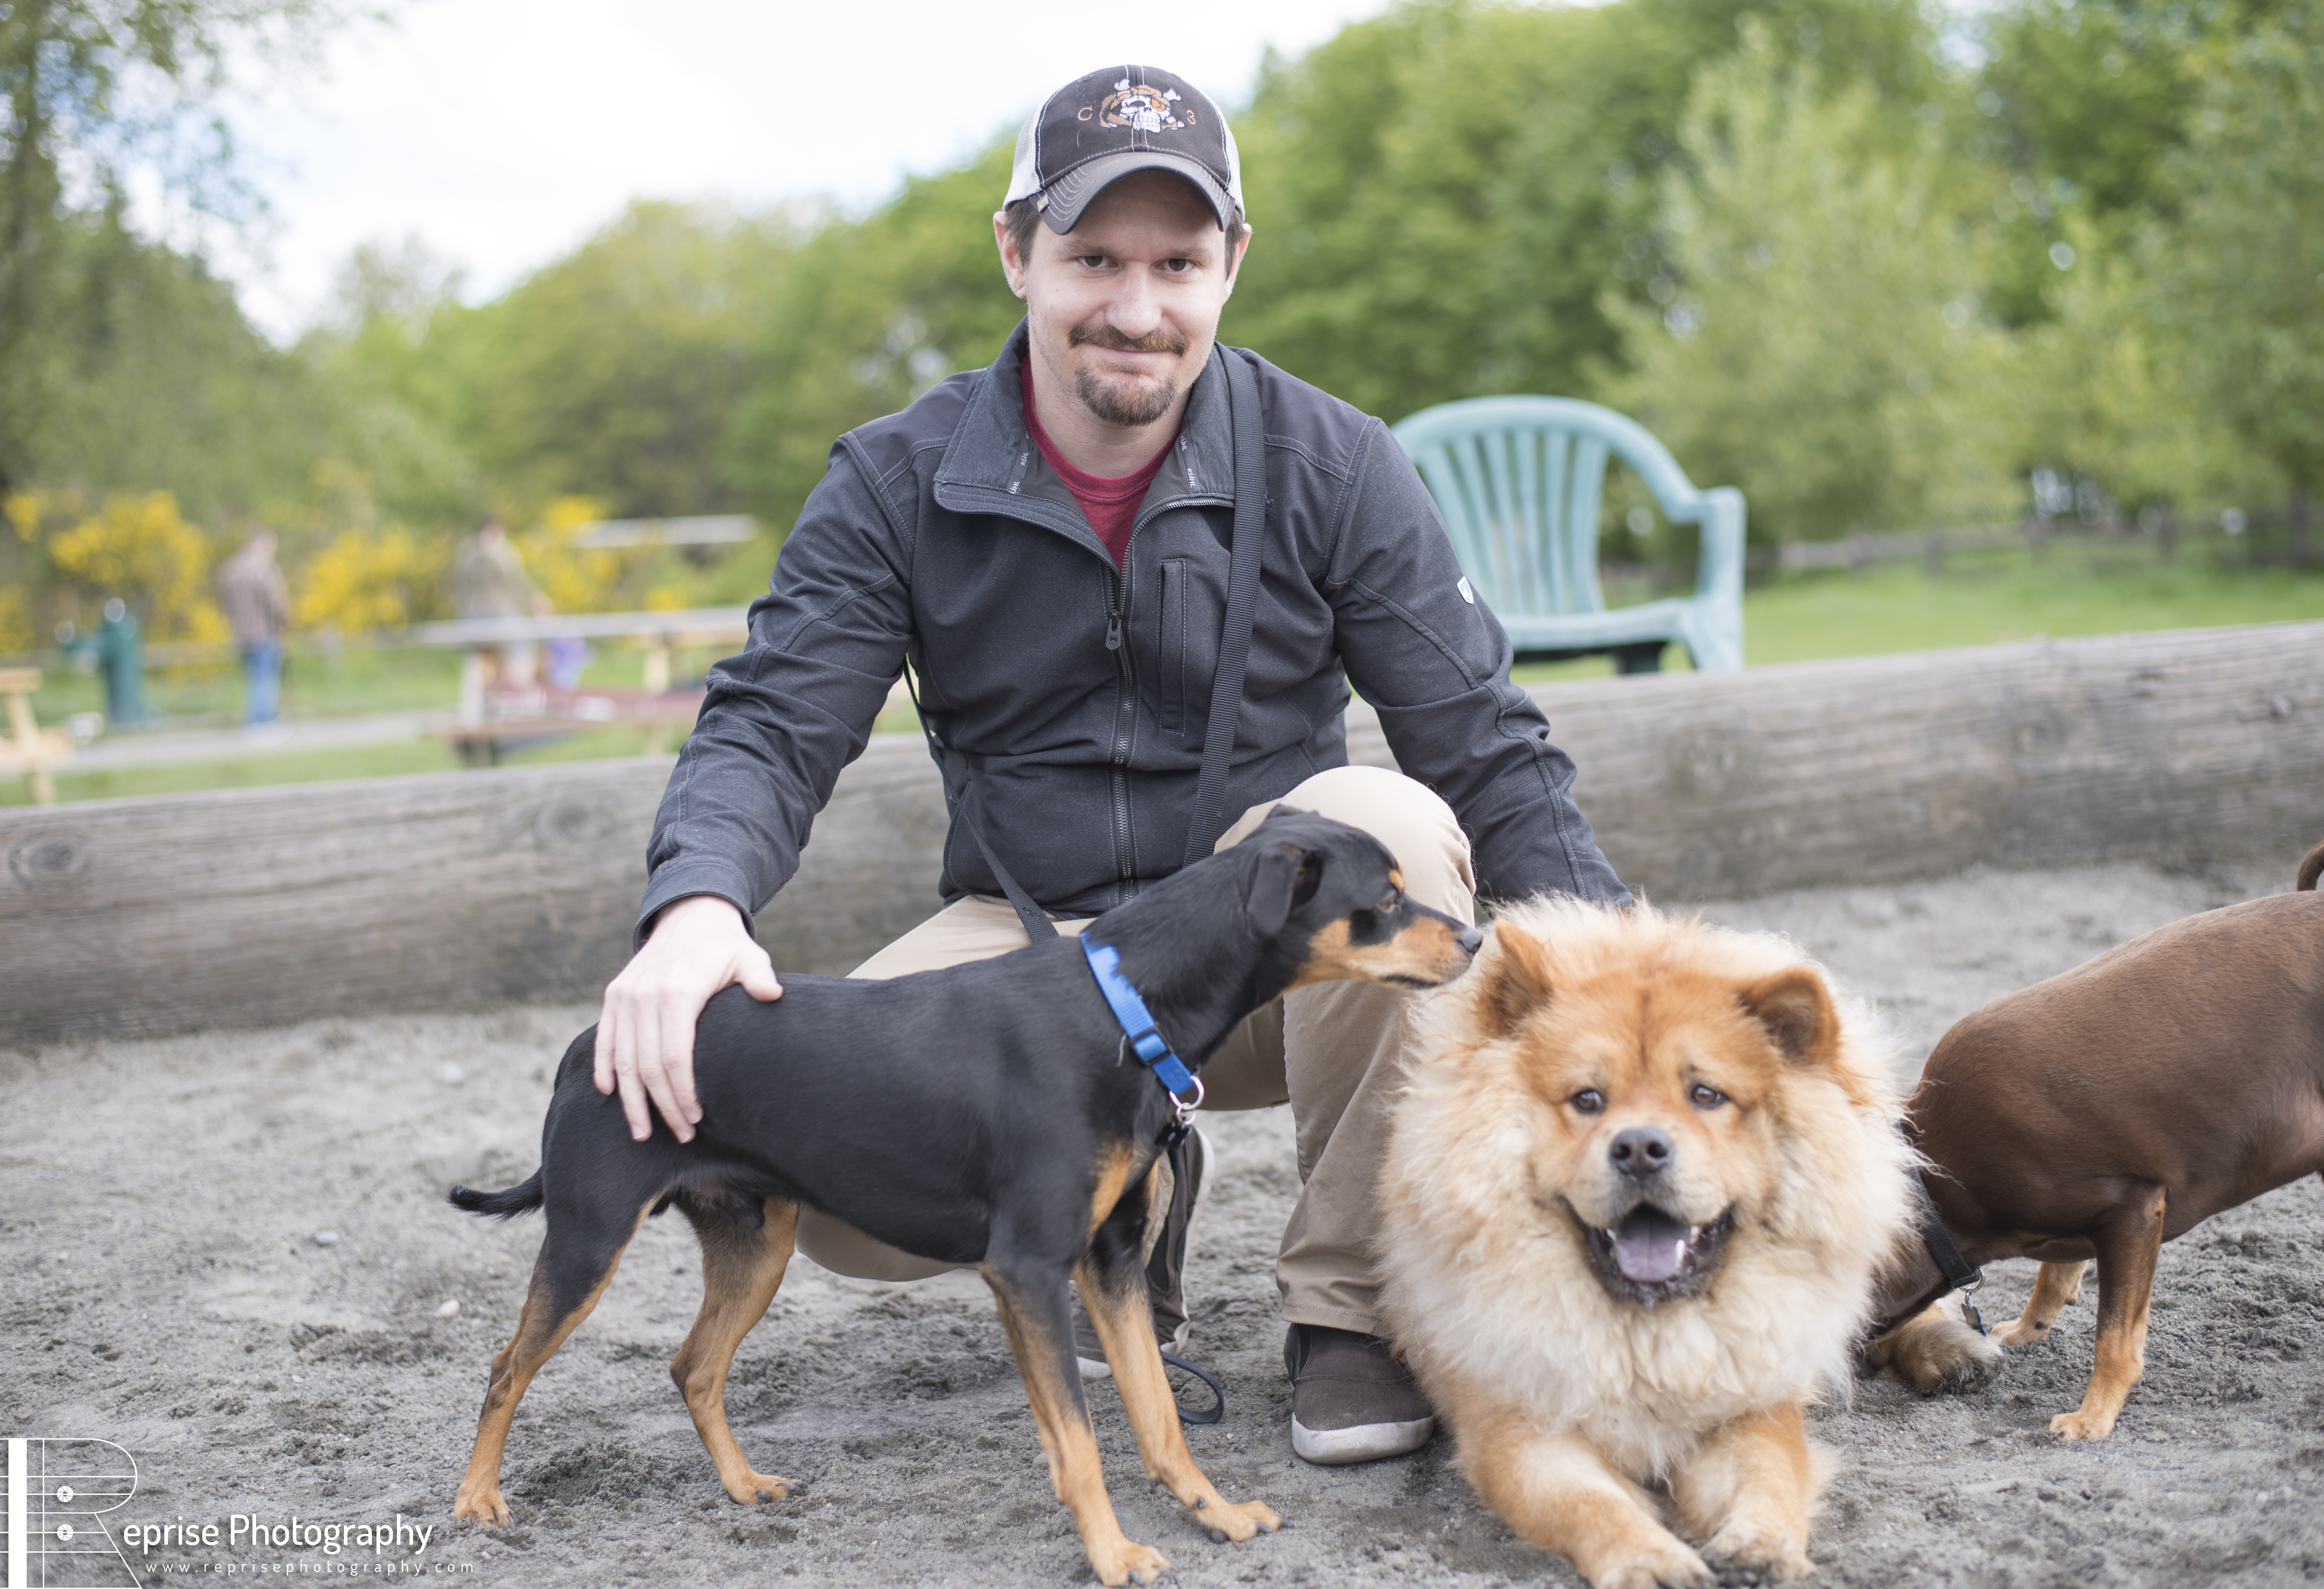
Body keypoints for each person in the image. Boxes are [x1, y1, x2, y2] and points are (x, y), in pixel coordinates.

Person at [595, 64, 1631, 1466]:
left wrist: (1627, 979)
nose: (1135, 308)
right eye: (1092, 258)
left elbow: (1485, 743)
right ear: (1017, 251)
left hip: (1258, 955)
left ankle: (1350, 1311)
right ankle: (1114, 1205)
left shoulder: (1333, 460)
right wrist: (695, 906)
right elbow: (772, 719)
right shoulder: (896, 477)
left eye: (1175, 264)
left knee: (1391, 821)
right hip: (1031, 968)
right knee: (825, 1182)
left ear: (1230, 268)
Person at [451, 519, 551, 688]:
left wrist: (534, 597)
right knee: (503, 650)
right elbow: (460, 585)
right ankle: (513, 688)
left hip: (495, 611)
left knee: (514, 647)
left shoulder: (498, 550)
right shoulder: (474, 552)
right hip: (484, 612)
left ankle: (518, 687)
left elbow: (519, 580)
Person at [217, 529, 288, 731]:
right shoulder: (264, 569)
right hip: (265, 631)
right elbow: (276, 603)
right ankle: (261, 722)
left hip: (241, 633)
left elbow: (224, 603)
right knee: (266, 678)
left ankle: (257, 719)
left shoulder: (230, 569)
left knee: (255, 677)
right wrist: (284, 621)